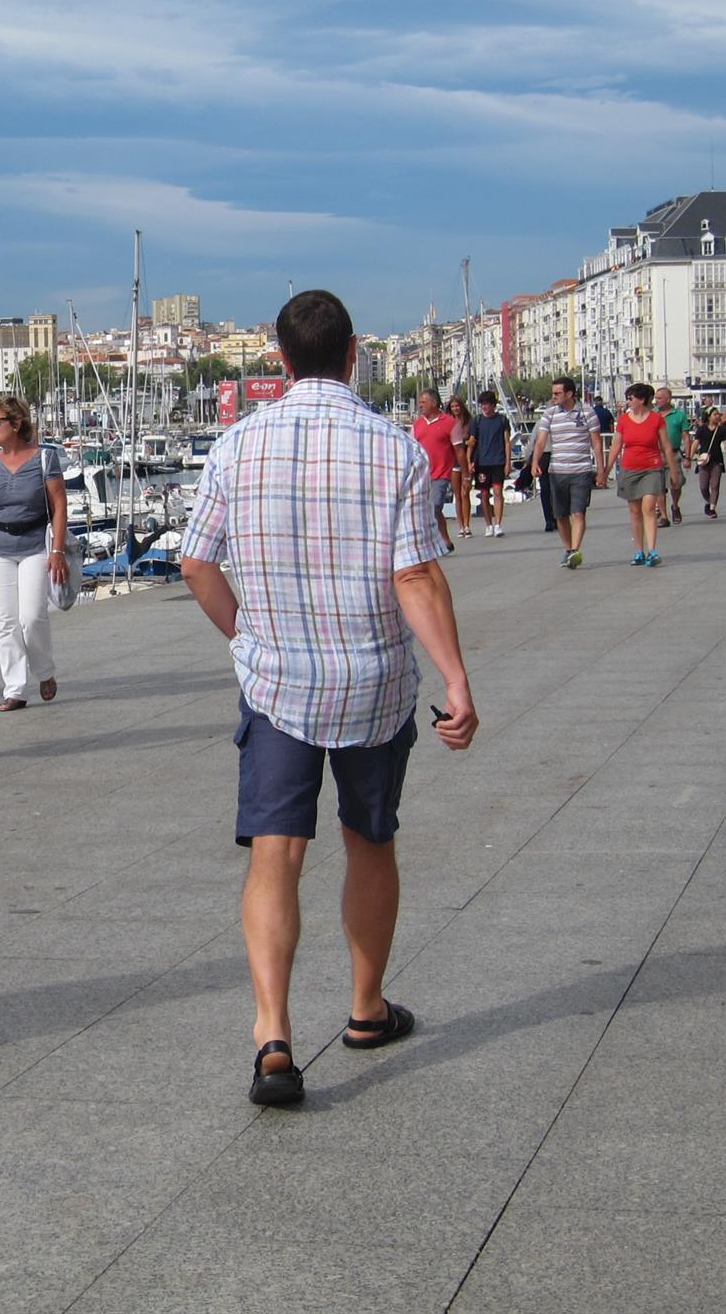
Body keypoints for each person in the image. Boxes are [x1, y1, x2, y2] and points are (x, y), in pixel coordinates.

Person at [178, 289, 476, 1107]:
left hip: (278, 685)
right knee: (368, 841)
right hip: (373, 682)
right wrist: (455, 679)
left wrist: (246, 641)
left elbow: (198, 565)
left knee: (277, 853)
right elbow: (414, 575)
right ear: (353, 356)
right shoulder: (396, 450)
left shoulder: (237, 446)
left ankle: (273, 1033)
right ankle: (365, 1009)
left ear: (280, 360)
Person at [0, 394, 69, 712]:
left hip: (34, 545)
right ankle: (15, 689)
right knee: (5, 620)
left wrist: (56, 549)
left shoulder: (44, 458)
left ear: (15, 424)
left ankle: (44, 672)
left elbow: (59, 506)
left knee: (31, 617)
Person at [528, 376, 606, 569]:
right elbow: (540, 440)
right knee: (561, 515)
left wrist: (602, 470)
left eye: (557, 393)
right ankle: (569, 548)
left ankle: (574, 551)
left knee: (578, 512)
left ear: (569, 393)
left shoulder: (587, 412)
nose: (553, 397)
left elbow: (596, 442)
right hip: (557, 471)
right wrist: (535, 462)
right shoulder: (550, 414)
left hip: (581, 470)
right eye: (553, 393)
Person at [605, 382, 679, 567]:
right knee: (635, 510)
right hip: (630, 468)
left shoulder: (656, 419)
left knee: (648, 507)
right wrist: (605, 470)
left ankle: (652, 550)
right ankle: (639, 550)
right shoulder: (624, 420)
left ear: (642, 399)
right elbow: (616, 446)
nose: (628, 402)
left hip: (652, 468)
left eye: (630, 398)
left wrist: (674, 471)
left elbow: (666, 446)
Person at [408, 388, 461, 551]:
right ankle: (445, 540)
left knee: (436, 506)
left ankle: (430, 543)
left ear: (434, 403)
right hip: (422, 475)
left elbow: (459, 449)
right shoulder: (417, 425)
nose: (419, 405)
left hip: (442, 473)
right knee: (432, 510)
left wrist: (465, 473)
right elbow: (411, 449)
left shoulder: (450, 423)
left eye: (423, 402)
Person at [469, 390, 512, 537]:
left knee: (498, 492)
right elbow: (472, 442)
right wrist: (469, 462)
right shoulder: (477, 421)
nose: (484, 407)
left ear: (493, 405)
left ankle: (498, 524)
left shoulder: (502, 420)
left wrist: (508, 462)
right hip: (482, 462)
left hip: (498, 461)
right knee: (484, 494)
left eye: (486, 404)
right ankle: (488, 525)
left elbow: (507, 442)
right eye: (482, 404)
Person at [655, 385, 692, 526]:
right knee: (659, 487)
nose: (656, 401)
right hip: (657, 454)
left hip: (674, 453)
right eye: (656, 398)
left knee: (675, 484)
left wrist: (687, 456)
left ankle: (675, 505)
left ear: (668, 399)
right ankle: (664, 516)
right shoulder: (653, 414)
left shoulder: (679, 415)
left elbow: (686, 436)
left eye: (659, 398)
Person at [445, 394, 476, 539]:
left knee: (465, 493)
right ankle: (461, 526)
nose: (455, 408)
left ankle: (467, 524)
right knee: (457, 495)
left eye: (457, 405)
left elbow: (473, 442)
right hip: (453, 462)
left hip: (467, 461)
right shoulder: (448, 423)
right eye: (453, 406)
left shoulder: (469, 422)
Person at [695, 404, 726, 517]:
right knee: (703, 487)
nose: (717, 416)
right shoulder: (702, 429)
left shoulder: (721, 430)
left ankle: (712, 508)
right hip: (703, 460)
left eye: (718, 414)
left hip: (717, 460)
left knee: (715, 485)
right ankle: (709, 502)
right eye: (715, 414)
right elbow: (696, 443)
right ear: (708, 417)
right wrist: (689, 456)